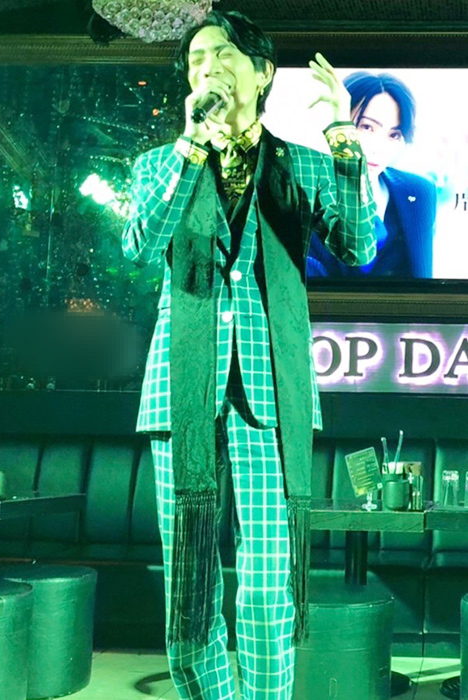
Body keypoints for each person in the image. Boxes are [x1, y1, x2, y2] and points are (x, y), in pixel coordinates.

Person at [122, 10, 376, 700]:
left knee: (267, 587)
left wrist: (343, 135)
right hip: (182, 391)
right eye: (196, 59)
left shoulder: (304, 164)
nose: (207, 67)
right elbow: (140, 246)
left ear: (263, 73)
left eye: (224, 54)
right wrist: (189, 146)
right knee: (191, 587)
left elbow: (360, 245)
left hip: (270, 396)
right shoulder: (160, 164)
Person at [308, 71, 437, 278]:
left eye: (394, 135)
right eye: (367, 127)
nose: (379, 148)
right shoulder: (305, 191)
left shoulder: (418, 190)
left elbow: (424, 283)